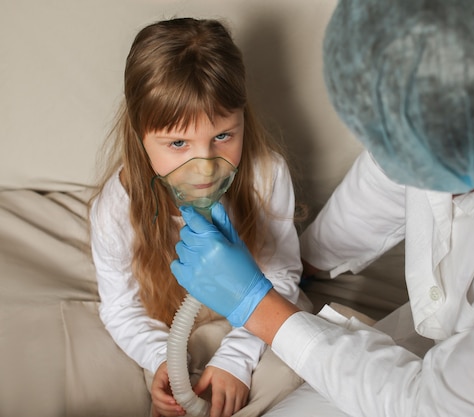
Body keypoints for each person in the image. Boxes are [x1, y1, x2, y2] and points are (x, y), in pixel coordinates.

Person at [170, 1, 474, 416]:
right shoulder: (454, 69)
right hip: (435, 345)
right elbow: (392, 172)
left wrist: (256, 305)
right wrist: (299, 260)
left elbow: (427, 407)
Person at [89, 18, 311, 417]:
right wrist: (162, 361)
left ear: (242, 119)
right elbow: (120, 308)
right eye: (177, 143)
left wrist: (236, 360)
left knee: (299, 375)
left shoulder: (266, 175)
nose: (205, 167)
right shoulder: (116, 209)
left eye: (223, 136)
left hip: (260, 318)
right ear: (140, 136)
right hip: (170, 331)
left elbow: (282, 276)